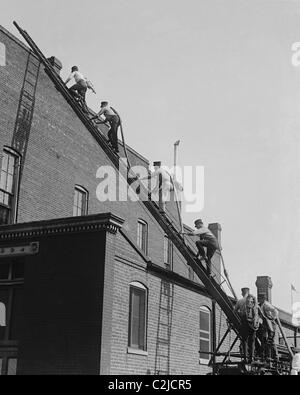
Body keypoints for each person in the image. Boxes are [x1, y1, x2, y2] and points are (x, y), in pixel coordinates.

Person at [234, 287, 259, 363]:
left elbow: (234, 311)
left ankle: (245, 357)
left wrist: (240, 314)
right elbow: (256, 312)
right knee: (252, 341)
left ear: (242, 293)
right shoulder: (253, 300)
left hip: (244, 322)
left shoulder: (240, 301)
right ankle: (251, 357)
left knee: (244, 340)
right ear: (248, 292)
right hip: (252, 323)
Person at [258, 294, 279, 362]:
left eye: (260, 298)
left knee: (270, 341)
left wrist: (272, 318)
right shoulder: (261, 305)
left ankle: (275, 357)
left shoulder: (266, 305)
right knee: (264, 340)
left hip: (271, 325)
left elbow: (275, 311)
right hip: (266, 325)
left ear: (263, 299)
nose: (259, 299)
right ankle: (266, 356)